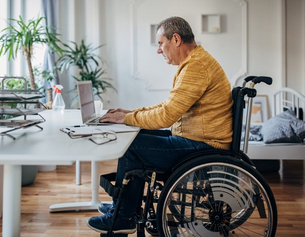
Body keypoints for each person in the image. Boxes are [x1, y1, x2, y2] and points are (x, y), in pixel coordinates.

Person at [87, 16, 233, 234]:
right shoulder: (195, 62)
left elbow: (165, 117)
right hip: (196, 140)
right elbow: (168, 107)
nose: (158, 50)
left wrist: (125, 119)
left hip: (204, 147)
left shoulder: (196, 66)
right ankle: (125, 207)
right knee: (134, 135)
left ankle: (123, 216)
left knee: (130, 146)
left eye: (160, 43)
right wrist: (130, 113)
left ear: (175, 39)